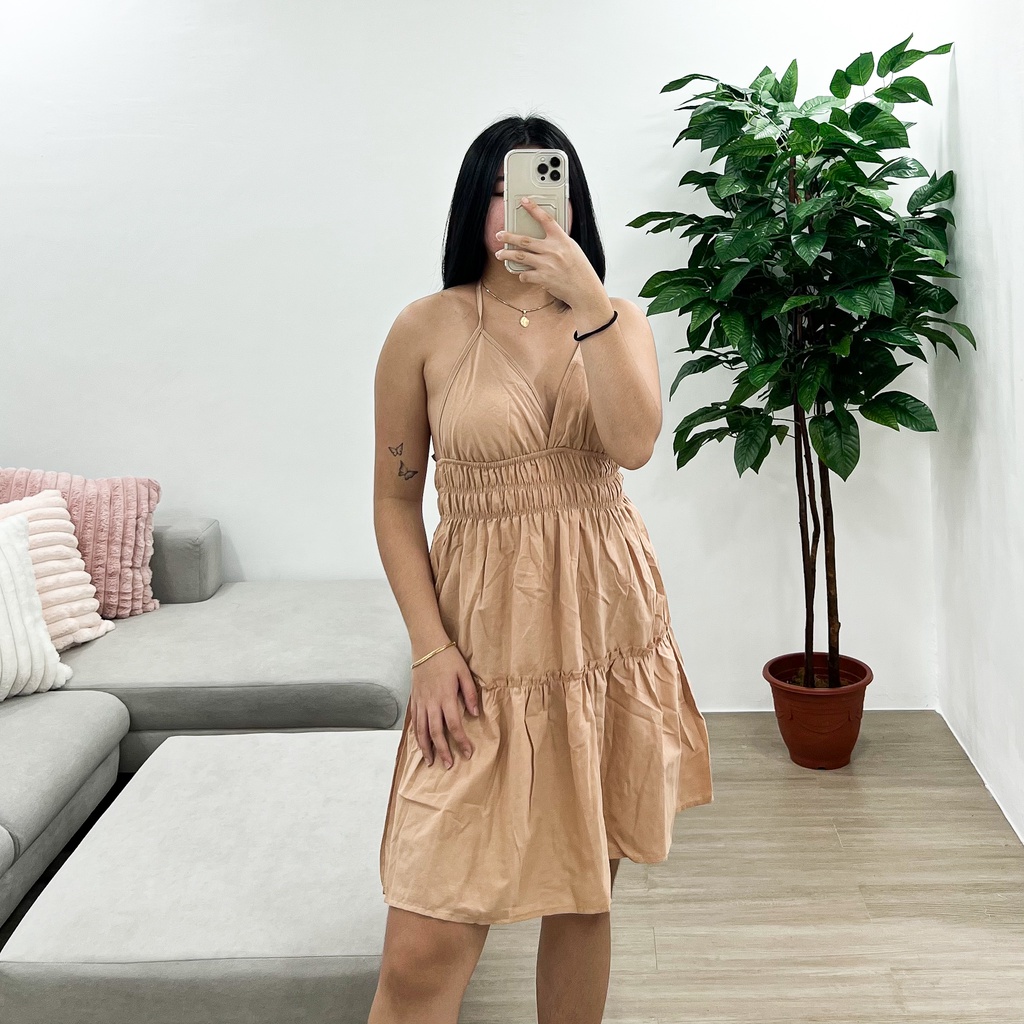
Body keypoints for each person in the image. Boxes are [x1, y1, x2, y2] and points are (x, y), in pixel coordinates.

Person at [369, 113, 713, 1024]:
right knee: (421, 950)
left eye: (532, 187)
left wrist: (588, 301)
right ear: (471, 206)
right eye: (496, 190)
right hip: (481, 645)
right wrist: (428, 650)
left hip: (603, 628)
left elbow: (634, 445)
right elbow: (395, 502)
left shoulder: (618, 320)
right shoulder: (424, 328)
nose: (515, 209)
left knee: (583, 891)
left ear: (569, 201)